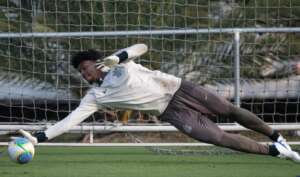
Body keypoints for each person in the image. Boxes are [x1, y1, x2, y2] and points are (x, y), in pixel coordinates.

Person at [19, 43, 300, 163]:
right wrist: (38, 138)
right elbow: (71, 121)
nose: (84, 73)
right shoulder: (95, 96)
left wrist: (119, 57)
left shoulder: (116, 62)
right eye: (81, 72)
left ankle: (277, 136)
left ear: (96, 61)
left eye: (85, 67)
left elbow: (141, 47)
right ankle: (275, 152)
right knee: (218, 138)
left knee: (229, 110)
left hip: (179, 88)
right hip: (170, 112)